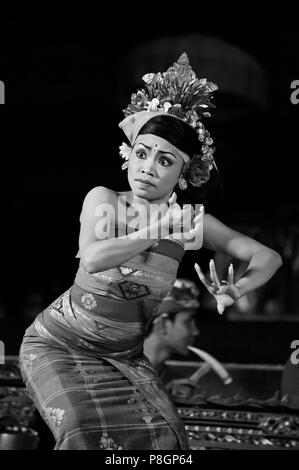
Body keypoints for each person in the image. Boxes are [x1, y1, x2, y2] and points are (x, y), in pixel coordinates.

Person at [18, 53, 282, 450]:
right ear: (129, 154)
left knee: (167, 443)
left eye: (164, 161)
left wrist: (235, 291)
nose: (147, 168)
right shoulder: (104, 199)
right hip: (59, 344)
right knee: (79, 428)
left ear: (185, 173)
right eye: (141, 154)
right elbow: (92, 258)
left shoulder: (193, 221)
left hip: (124, 357)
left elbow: (268, 257)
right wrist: (156, 229)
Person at [144, 278, 200, 377]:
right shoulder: (117, 375)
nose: (196, 331)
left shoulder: (172, 381)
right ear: (162, 325)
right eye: (187, 322)